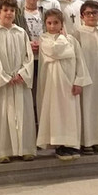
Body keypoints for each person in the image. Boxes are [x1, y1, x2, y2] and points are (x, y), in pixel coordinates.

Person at [0, 0, 36, 163]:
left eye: (12, 10)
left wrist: (22, 73)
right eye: (5, 10)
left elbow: (29, 56)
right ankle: (4, 151)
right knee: (3, 115)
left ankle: (26, 149)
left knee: (23, 114)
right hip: (3, 82)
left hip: (19, 80)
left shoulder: (21, 33)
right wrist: (4, 76)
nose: (9, 13)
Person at [36, 9, 91, 160]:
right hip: (53, 84)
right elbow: (54, 51)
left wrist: (79, 81)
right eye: (49, 23)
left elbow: (80, 61)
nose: (52, 26)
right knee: (56, 113)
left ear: (62, 23)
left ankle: (71, 145)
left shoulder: (72, 40)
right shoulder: (44, 39)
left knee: (70, 113)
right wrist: (62, 39)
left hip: (70, 83)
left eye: (56, 23)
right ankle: (59, 145)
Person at [71, 0, 98, 153]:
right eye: (88, 13)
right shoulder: (78, 33)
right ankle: (88, 141)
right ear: (82, 16)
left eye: (95, 13)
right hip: (86, 76)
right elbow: (75, 57)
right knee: (88, 107)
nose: (91, 16)